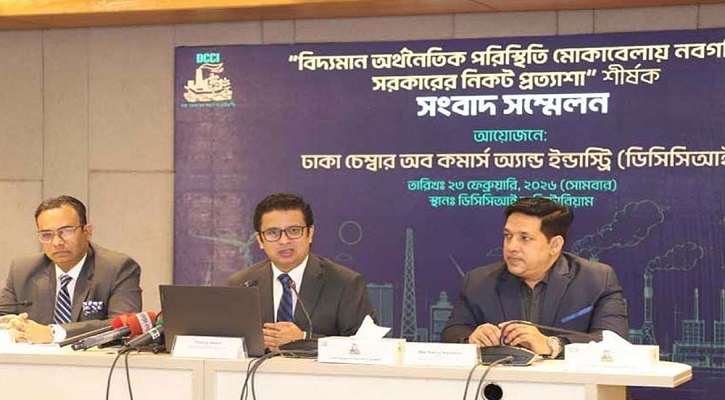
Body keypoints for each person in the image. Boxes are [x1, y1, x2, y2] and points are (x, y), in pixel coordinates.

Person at [441, 197, 628, 358]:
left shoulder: (597, 280)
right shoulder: (478, 281)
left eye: (525, 238)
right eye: (507, 236)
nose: (511, 247)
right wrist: (471, 339)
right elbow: (452, 333)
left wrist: (552, 345)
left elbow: (614, 342)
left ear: (555, 245)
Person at [228, 192, 376, 351]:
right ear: (260, 240)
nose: (284, 241)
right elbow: (228, 344)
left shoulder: (344, 283)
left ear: (309, 233)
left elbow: (367, 347)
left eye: (293, 230)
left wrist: (304, 339)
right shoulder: (242, 284)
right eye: (272, 233)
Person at [0, 195, 142, 344]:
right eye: (46, 235)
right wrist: (11, 326)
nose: (57, 242)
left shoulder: (118, 268)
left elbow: (124, 326)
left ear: (87, 232)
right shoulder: (22, 271)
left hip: (91, 358)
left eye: (66, 231)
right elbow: (3, 316)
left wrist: (54, 333)